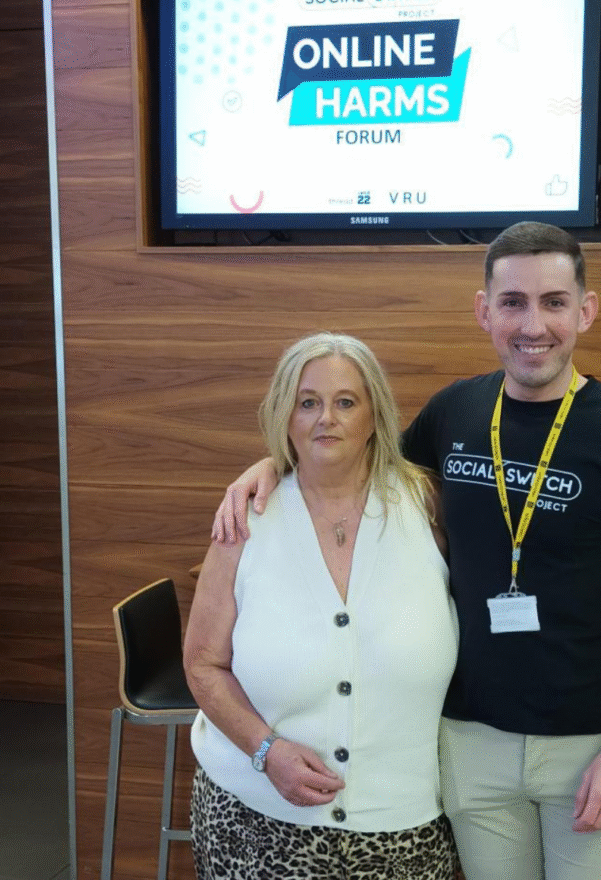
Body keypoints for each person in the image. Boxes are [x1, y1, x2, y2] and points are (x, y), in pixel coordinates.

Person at [211, 223, 601, 880]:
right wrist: (269, 466)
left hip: (591, 744)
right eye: (512, 303)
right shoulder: (454, 415)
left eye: (554, 301)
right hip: (469, 740)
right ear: (484, 312)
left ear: (584, 310)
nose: (533, 324)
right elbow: (355, 456)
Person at [185, 333, 460, 880]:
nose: (325, 418)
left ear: (375, 415)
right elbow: (202, 663)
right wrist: (266, 752)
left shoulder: (428, 506)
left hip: (404, 831)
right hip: (254, 821)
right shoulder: (246, 520)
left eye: (345, 402)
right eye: (307, 402)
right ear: (285, 416)